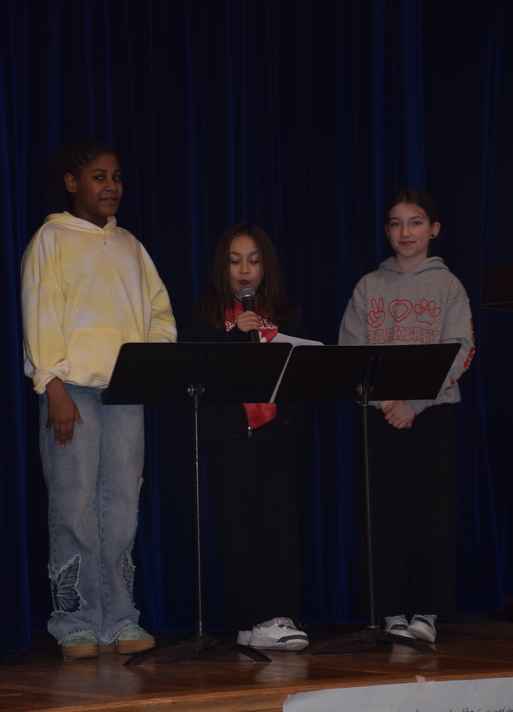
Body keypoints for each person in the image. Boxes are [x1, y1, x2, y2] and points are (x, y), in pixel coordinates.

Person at [21, 138, 176, 659]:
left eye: (116, 177)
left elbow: (158, 312)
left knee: (122, 505)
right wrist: (53, 384)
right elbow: (40, 312)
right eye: (98, 177)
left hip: (125, 392)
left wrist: (150, 366)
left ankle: (120, 618)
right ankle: (75, 621)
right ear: (72, 183)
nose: (111, 186)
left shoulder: (131, 245)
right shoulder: (52, 238)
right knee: (74, 504)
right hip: (73, 393)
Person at [338, 189, 475, 643]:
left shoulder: (448, 286)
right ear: (386, 232)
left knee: (429, 515)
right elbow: (350, 354)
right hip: (380, 418)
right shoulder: (368, 287)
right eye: (396, 224)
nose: (405, 232)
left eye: (415, 223)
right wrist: (385, 404)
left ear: (433, 229)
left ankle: (426, 613)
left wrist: (413, 404)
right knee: (384, 515)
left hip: (431, 418)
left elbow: (461, 352)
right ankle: (390, 610)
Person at [182, 223, 309, 651]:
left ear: (265, 266)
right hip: (230, 436)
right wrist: (234, 338)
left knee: (277, 526)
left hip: (276, 433)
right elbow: (197, 376)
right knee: (235, 528)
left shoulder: (286, 312)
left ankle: (278, 615)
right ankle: (246, 621)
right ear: (223, 267)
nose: (244, 270)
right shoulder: (204, 318)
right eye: (235, 261)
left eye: (253, 261)